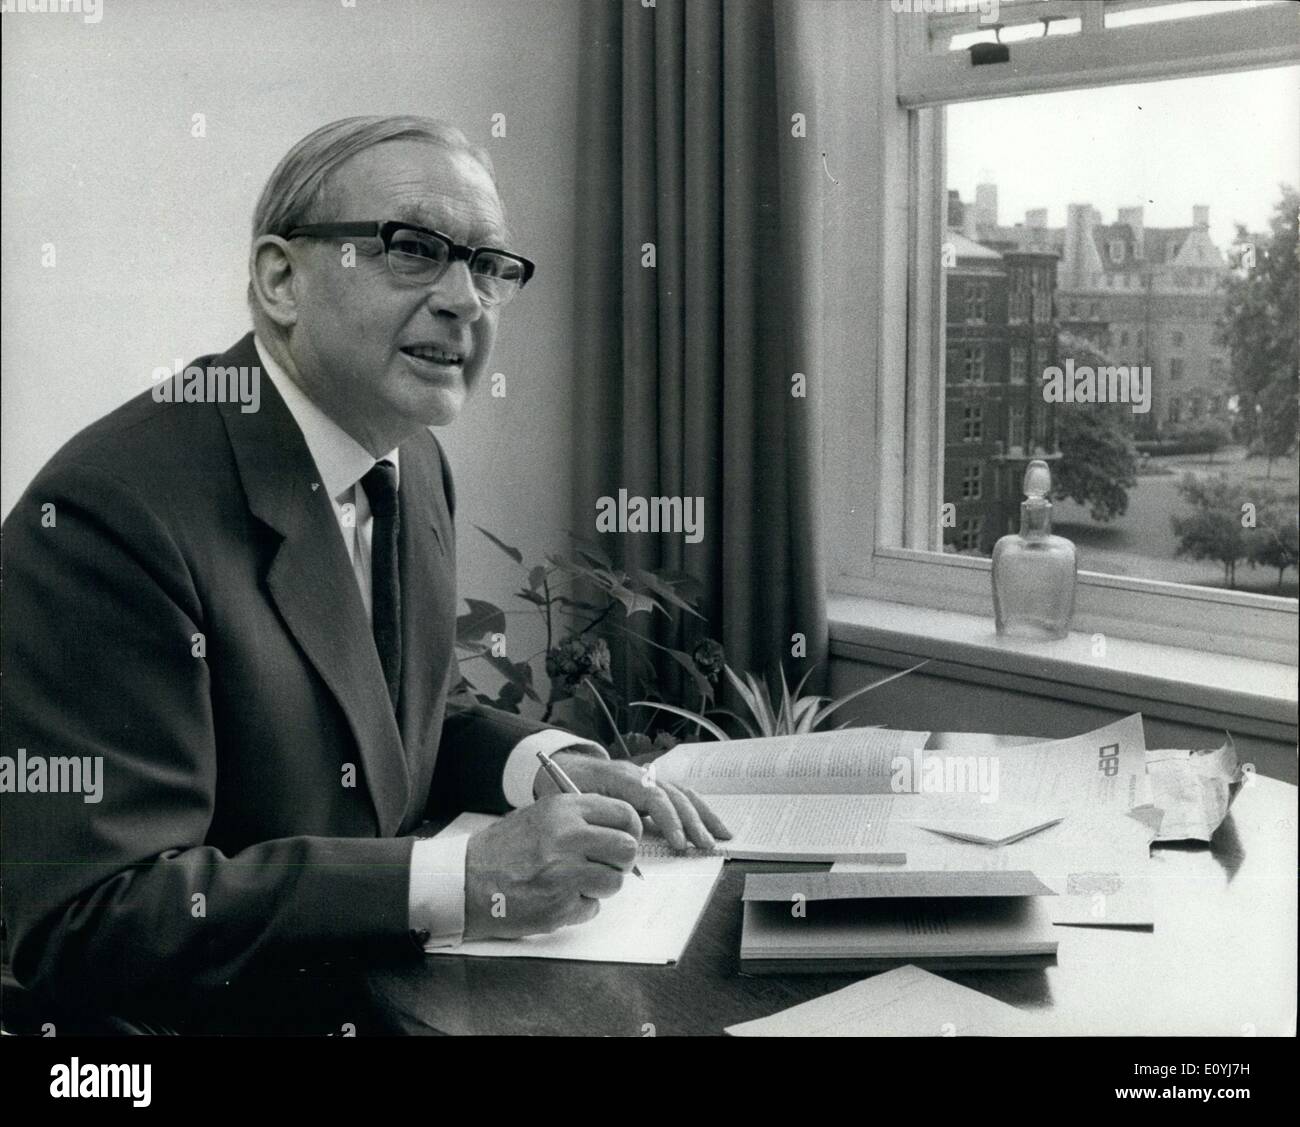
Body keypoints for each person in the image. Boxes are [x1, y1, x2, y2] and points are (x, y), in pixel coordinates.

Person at [0, 115, 728, 1034]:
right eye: (415, 250)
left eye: (490, 266)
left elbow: (393, 720)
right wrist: (461, 879)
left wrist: (548, 762)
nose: (466, 300)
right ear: (281, 279)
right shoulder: (111, 513)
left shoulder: (411, 460)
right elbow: (90, 919)